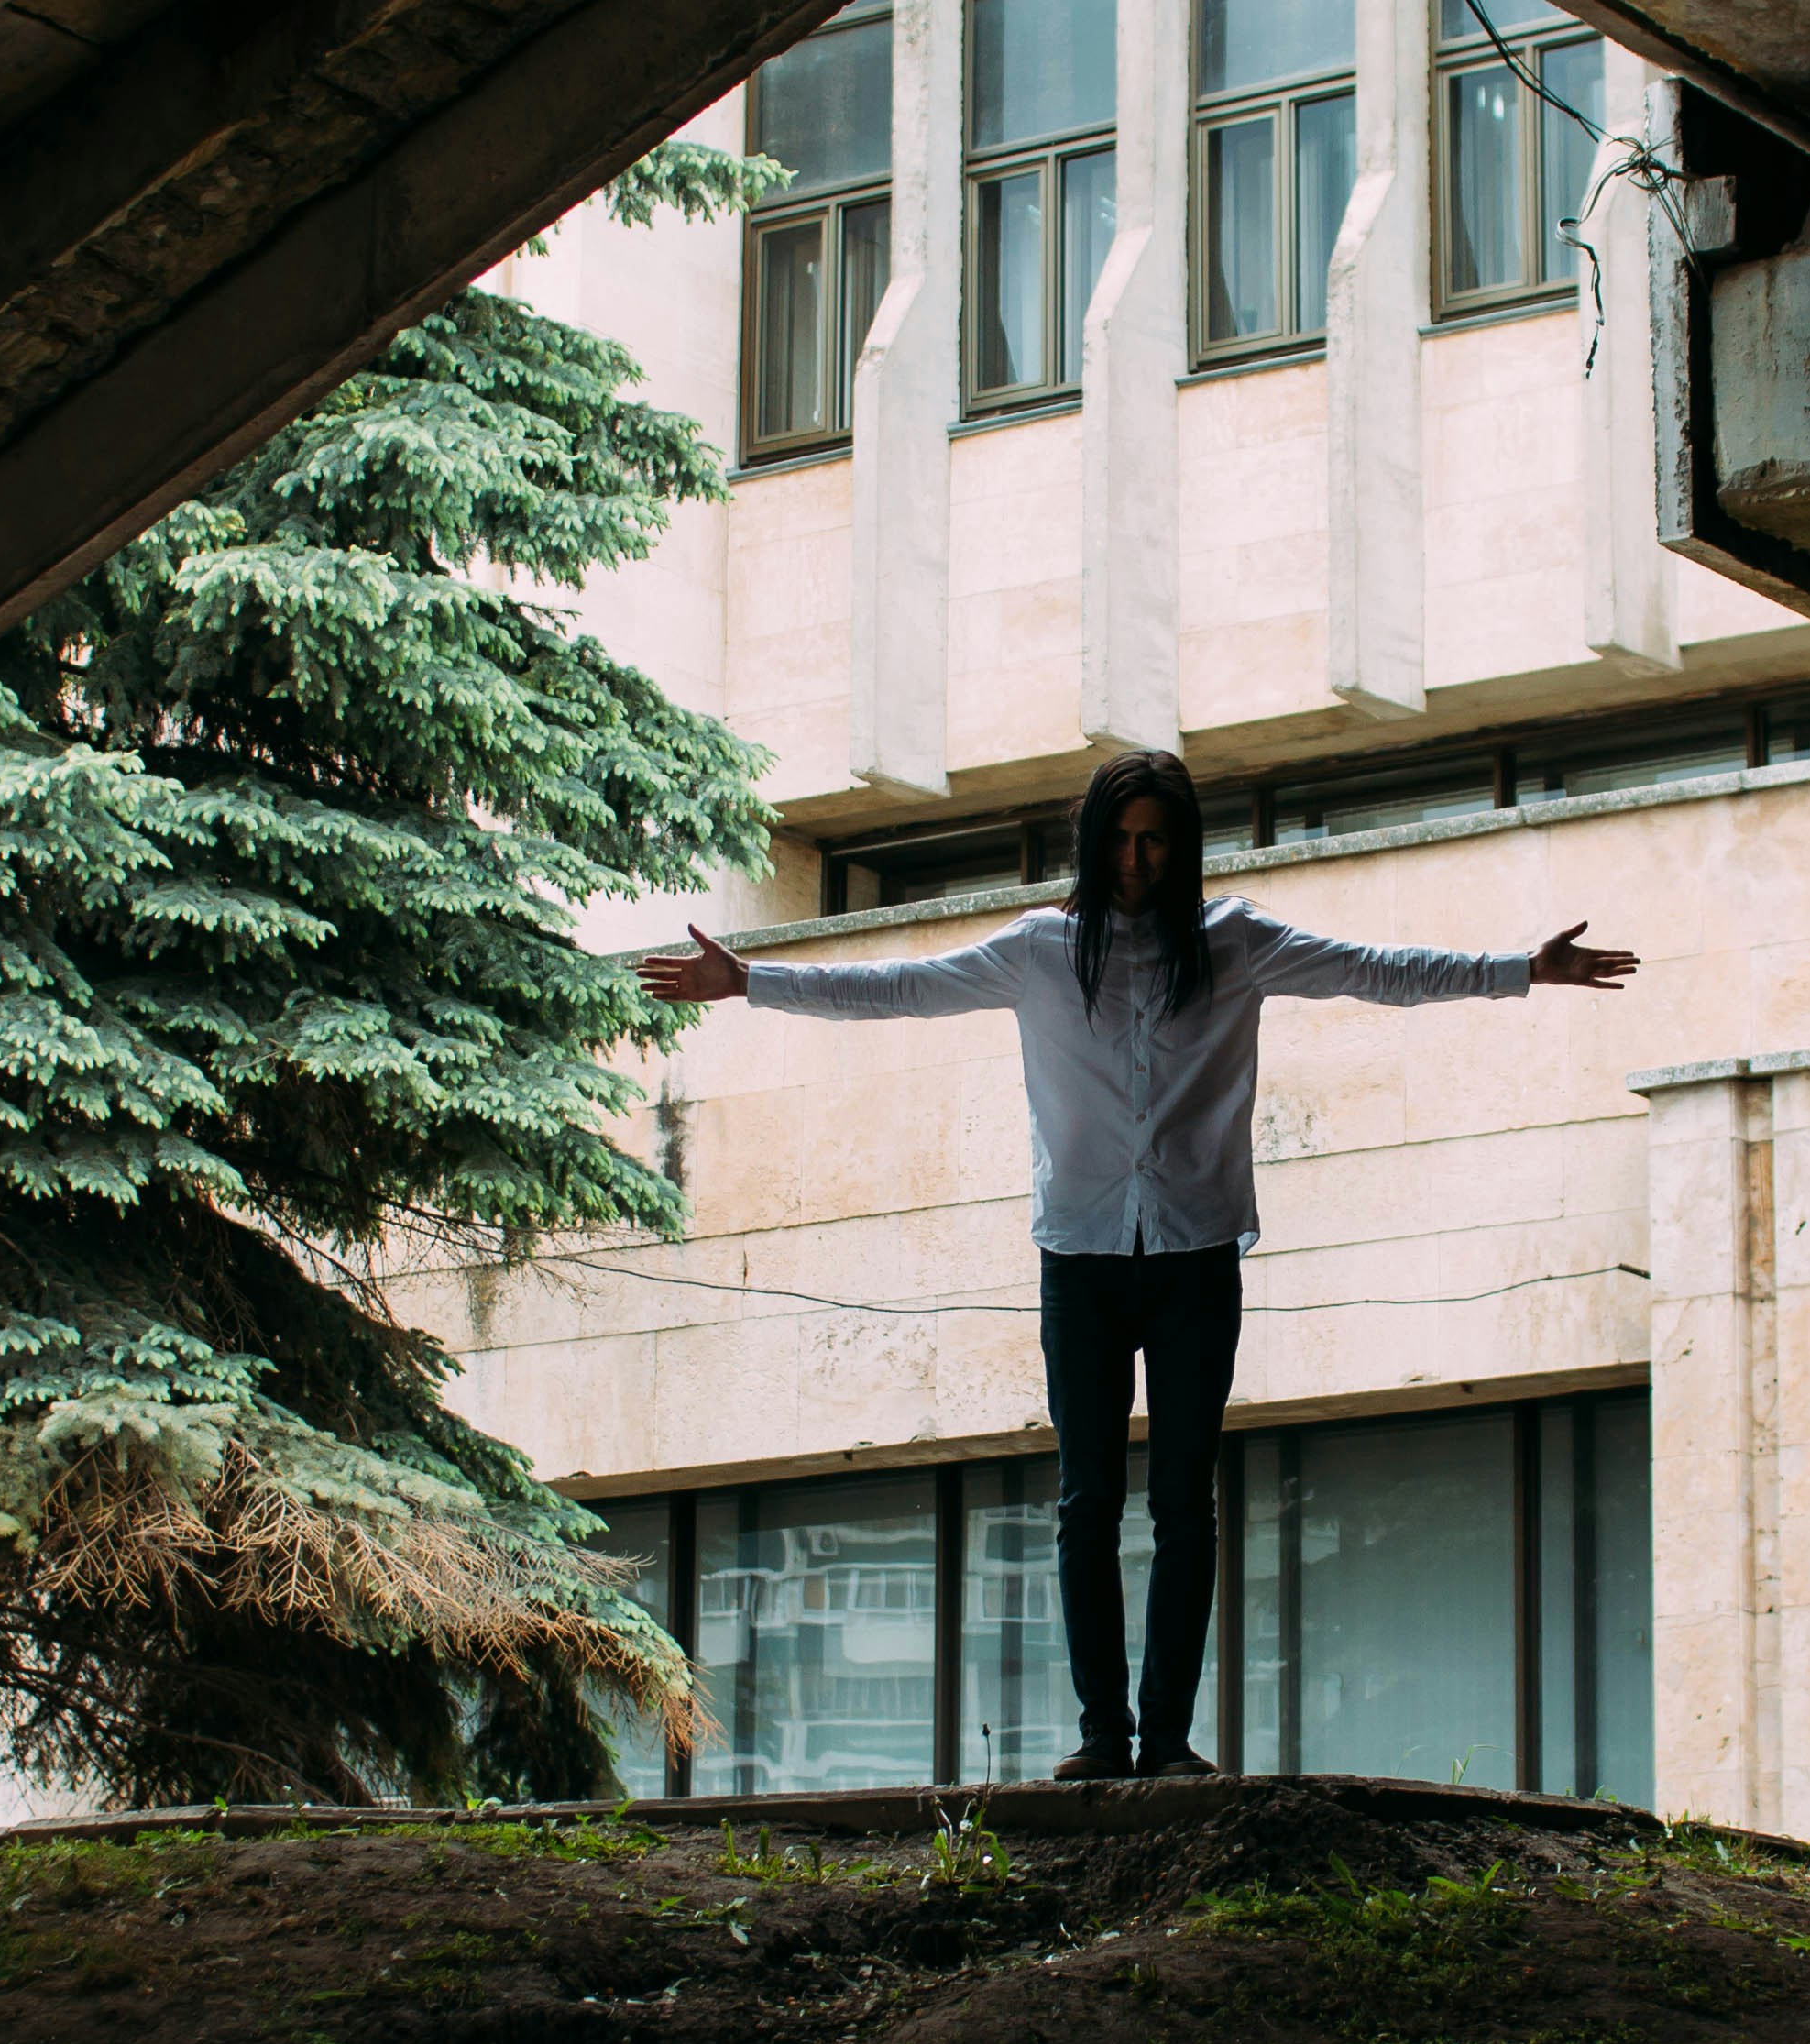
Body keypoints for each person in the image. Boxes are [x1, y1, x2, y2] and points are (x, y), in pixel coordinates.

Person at [638, 748, 1638, 1781]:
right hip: (1081, 1260)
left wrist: (1523, 970)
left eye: (1154, 839)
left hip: (1197, 1256)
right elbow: (900, 988)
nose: (1134, 858)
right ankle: (1102, 1735)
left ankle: (1166, 1739)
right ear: (1092, 843)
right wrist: (748, 982)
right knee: (1087, 1504)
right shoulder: (1040, 952)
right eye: (1118, 839)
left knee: (1185, 1504)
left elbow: (1375, 971)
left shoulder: (1235, 942)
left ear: (1183, 845)